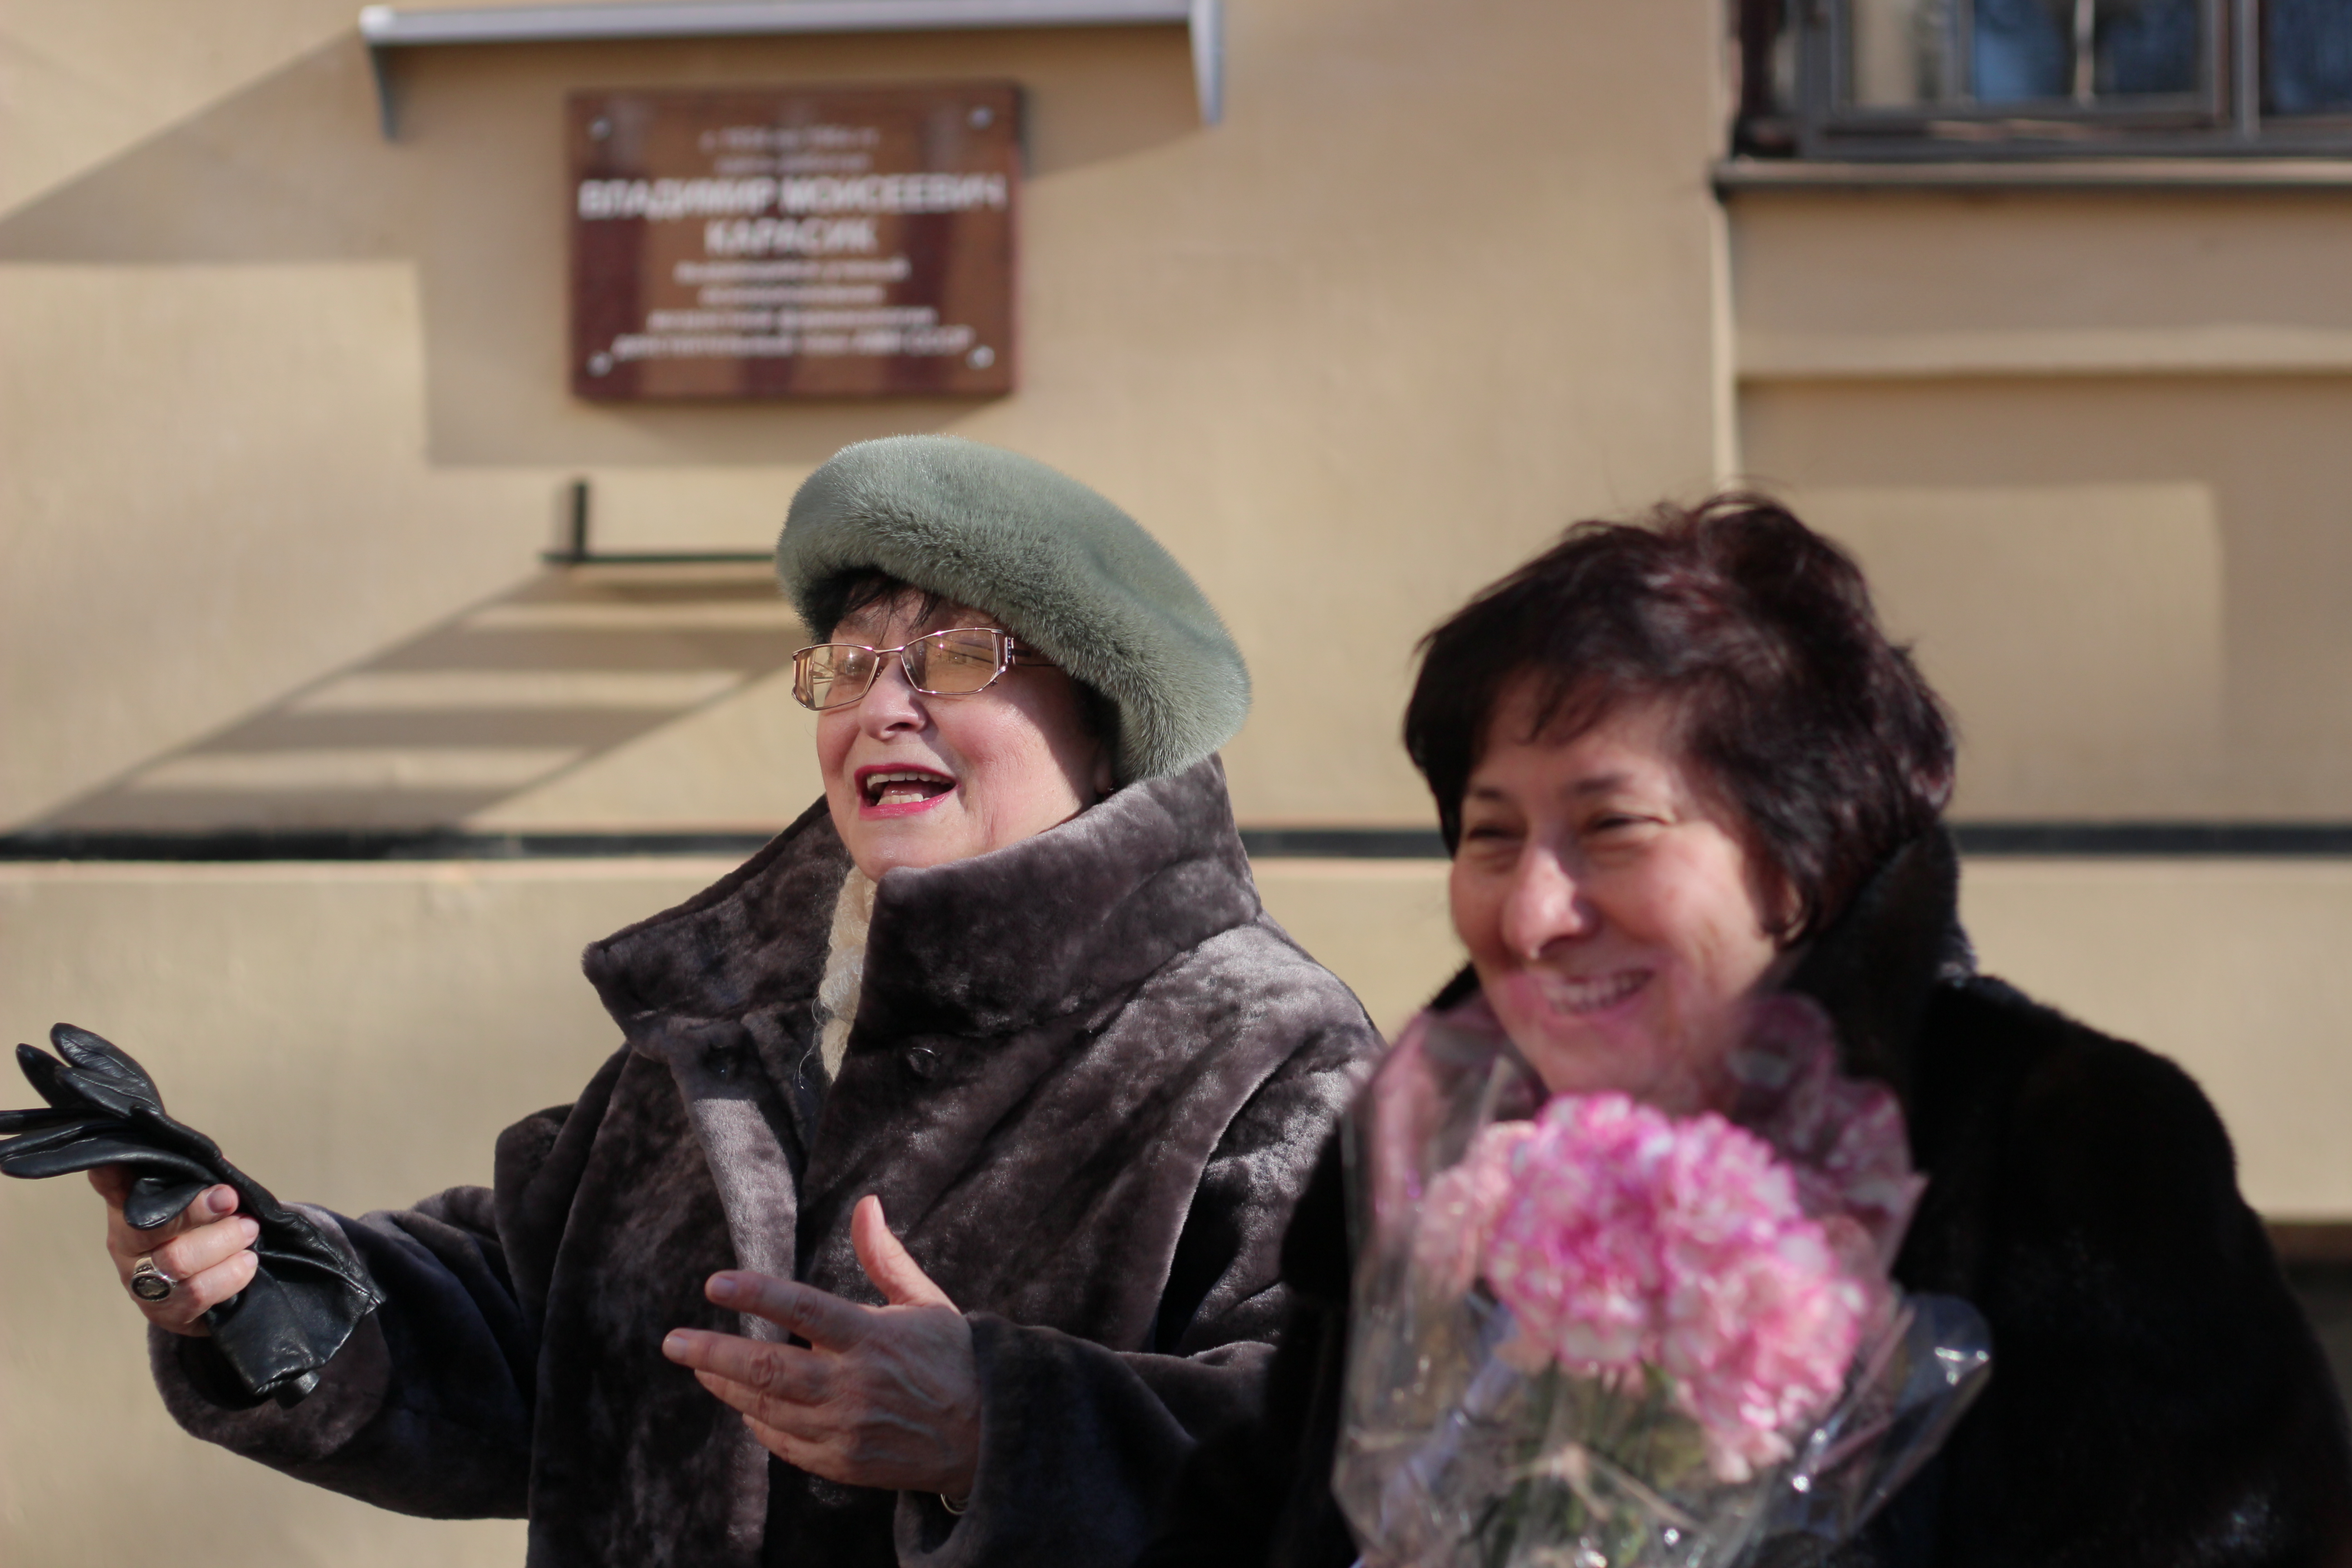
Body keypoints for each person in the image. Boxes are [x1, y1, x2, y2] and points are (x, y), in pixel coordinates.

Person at [95, 435, 1384, 1567]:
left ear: (1105, 725)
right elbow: (533, 1328)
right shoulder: (738, 1019)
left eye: (955, 659)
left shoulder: (1259, 1044)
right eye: (851, 665)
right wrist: (258, 1284)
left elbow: (1354, 1453)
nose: (883, 708)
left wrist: (997, 1428)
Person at [1149, 495, 2352, 1568]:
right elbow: (1243, 1522)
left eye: (1612, 829)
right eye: (1491, 835)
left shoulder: (2066, 1150)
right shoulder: (1423, 1152)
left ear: (1802, 854)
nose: (1531, 914)